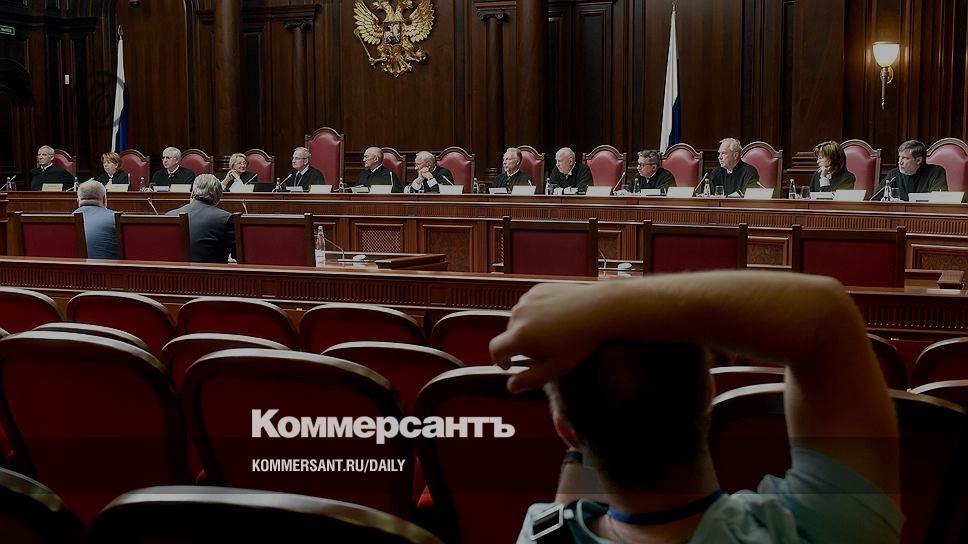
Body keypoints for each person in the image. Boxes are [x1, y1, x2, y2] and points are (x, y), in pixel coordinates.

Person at [491, 271, 901, 544]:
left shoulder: (541, 535)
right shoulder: (819, 532)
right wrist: (605, 301)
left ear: (567, 432)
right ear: (710, 393)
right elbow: (825, 314)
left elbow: (566, 513)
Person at [167, 174, 235, 263]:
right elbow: (237, 254)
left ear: (192, 193)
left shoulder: (170, 215)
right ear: (218, 197)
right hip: (211, 271)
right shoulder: (225, 218)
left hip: (174, 271)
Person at [871, 140, 947, 201]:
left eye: (905, 158)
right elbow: (875, 200)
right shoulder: (894, 174)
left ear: (918, 160)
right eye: (899, 157)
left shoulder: (936, 173)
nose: (900, 162)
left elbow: (938, 203)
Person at [73, 180, 118, 259]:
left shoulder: (64, 221)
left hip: (69, 266)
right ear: (104, 199)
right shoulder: (117, 218)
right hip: (106, 266)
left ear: (78, 201)